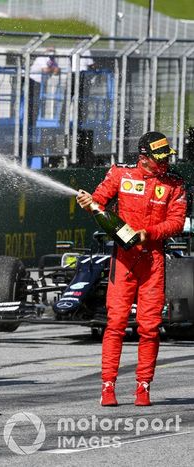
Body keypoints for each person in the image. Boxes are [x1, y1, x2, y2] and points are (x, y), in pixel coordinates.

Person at [76, 131, 186, 407]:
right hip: (123, 259)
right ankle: (107, 387)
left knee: (150, 327)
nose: (164, 164)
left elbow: (176, 222)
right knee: (115, 324)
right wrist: (88, 203)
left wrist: (147, 234)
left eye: (166, 158)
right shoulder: (121, 175)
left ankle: (143, 388)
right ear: (144, 158)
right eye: (159, 159)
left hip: (153, 261)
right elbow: (98, 201)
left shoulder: (175, 184)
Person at [27, 48, 60, 156]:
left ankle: (34, 118)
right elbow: (46, 70)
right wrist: (51, 69)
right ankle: (31, 119)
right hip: (33, 81)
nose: (52, 53)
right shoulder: (42, 58)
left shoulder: (52, 60)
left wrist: (51, 69)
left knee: (39, 103)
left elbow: (57, 71)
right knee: (33, 103)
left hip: (41, 84)